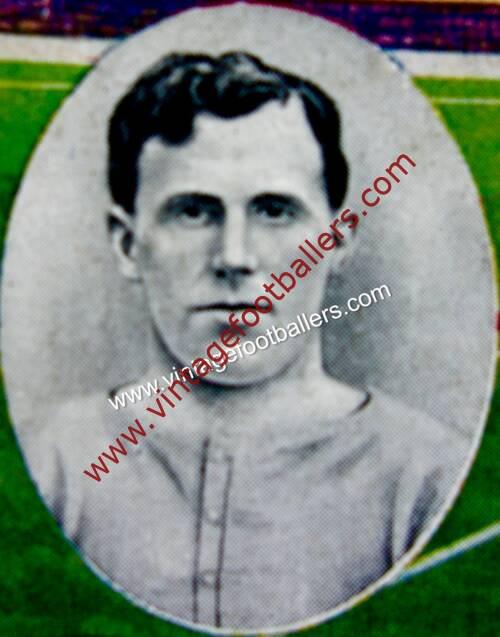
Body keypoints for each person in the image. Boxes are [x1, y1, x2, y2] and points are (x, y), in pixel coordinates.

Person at [26, 52, 467, 631]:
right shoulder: (49, 465)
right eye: (193, 212)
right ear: (127, 245)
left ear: (335, 243)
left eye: (275, 211)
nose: (234, 257)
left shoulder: (431, 481)